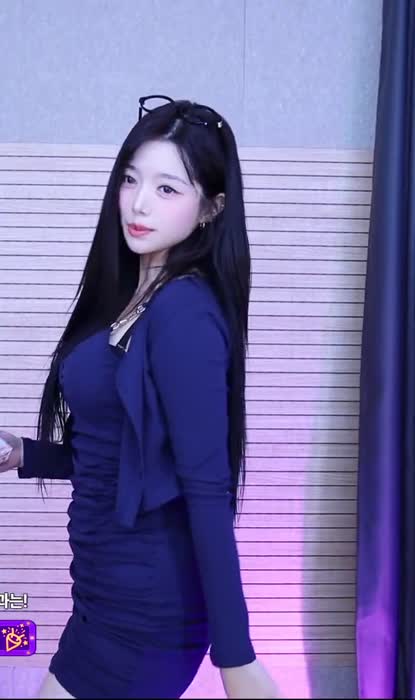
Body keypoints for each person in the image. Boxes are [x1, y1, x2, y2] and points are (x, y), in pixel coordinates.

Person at [0, 95, 279, 699]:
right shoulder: (132, 296)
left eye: (167, 188)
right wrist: (26, 453)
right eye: (131, 179)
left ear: (211, 207)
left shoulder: (184, 312)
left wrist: (237, 659)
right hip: (103, 594)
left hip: (145, 611)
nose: (139, 202)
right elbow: (121, 454)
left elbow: (206, 492)